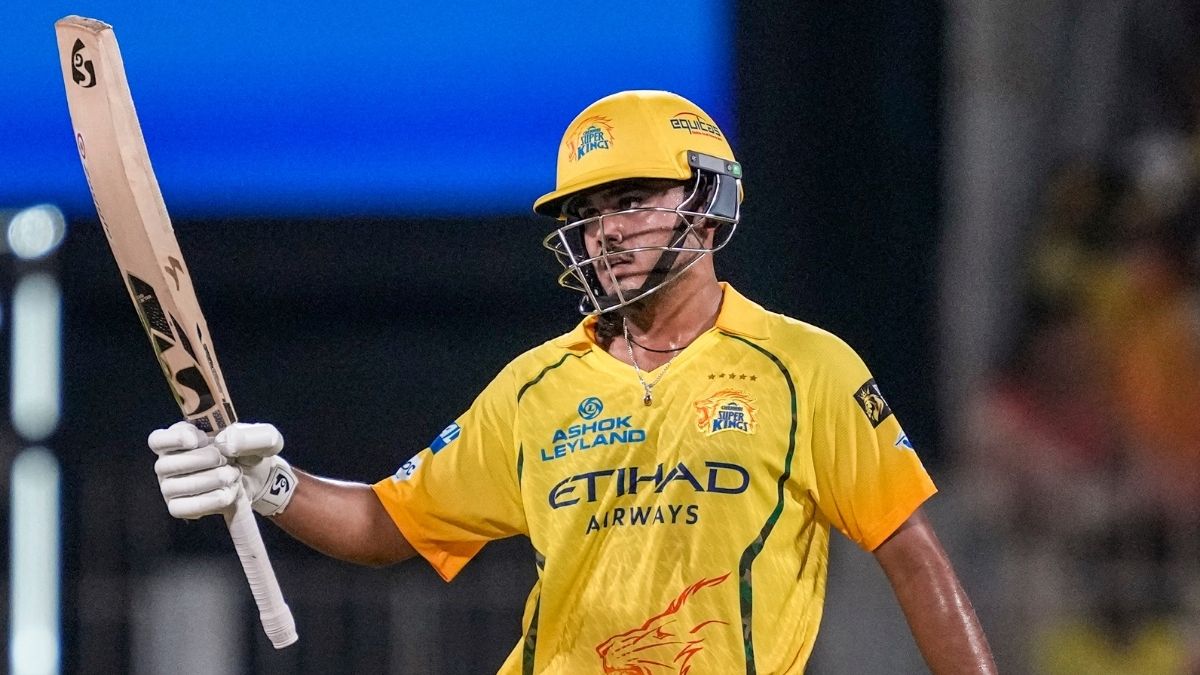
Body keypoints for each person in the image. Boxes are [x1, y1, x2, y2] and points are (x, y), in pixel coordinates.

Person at [150, 90, 996, 673]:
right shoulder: (536, 387)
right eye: (585, 215)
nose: (604, 233)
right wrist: (270, 484)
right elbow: (386, 522)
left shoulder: (806, 367)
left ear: (708, 205)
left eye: (631, 199)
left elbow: (913, 558)